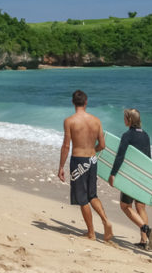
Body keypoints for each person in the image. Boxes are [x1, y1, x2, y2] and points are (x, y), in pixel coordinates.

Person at [58, 89, 113, 242]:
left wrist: (61, 167)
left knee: (82, 199)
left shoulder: (70, 121)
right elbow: (102, 145)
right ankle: (106, 220)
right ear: (86, 102)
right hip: (92, 160)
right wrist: (91, 152)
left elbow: (66, 146)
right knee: (92, 195)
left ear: (73, 102)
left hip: (78, 162)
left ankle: (91, 233)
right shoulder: (96, 121)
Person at [108, 108, 152, 250]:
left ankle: (145, 229)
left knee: (125, 206)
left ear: (129, 120)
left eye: (125, 117)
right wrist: (149, 178)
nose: (124, 120)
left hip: (130, 178)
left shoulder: (127, 135)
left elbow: (120, 156)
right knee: (140, 207)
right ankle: (144, 241)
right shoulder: (146, 136)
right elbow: (149, 159)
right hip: (142, 177)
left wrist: (113, 174)